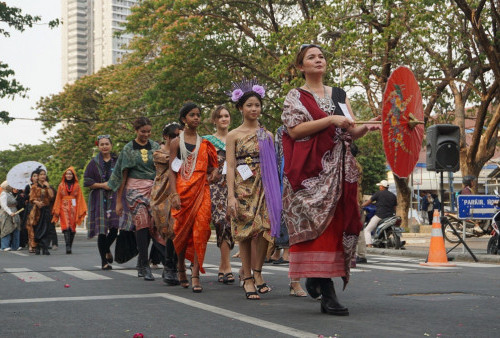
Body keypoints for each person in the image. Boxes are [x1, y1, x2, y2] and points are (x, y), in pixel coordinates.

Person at [281, 44, 379, 315]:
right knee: (318, 228)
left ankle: (321, 280)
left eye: (321, 56)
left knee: (336, 226)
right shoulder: (296, 96)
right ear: (301, 67)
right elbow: (295, 130)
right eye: (311, 57)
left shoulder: (339, 94)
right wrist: (329, 119)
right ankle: (327, 290)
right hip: (310, 173)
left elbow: (349, 131)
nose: (318, 60)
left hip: (340, 170)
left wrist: (366, 127)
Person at [226, 79, 282, 300]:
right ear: (240, 108)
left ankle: (258, 273)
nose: (253, 109)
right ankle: (247, 277)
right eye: (249, 105)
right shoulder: (233, 135)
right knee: (245, 232)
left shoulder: (266, 135)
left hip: (265, 187)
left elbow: (275, 164)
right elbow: (230, 166)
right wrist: (231, 195)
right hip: (242, 188)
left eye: (257, 105)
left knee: (264, 230)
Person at [168, 103, 218, 293]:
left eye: (198, 115)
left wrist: (213, 173)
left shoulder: (205, 144)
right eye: (192, 115)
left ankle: (195, 274)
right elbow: (172, 171)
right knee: (182, 232)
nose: (196, 118)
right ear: (183, 119)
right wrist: (173, 194)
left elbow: (214, 168)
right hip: (182, 191)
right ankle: (181, 267)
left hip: (202, 190)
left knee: (201, 229)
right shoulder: (176, 143)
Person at [108, 117, 160, 281]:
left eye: (148, 131)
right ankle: (144, 265)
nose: (146, 134)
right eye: (143, 131)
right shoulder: (128, 149)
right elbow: (123, 175)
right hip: (134, 189)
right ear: (136, 131)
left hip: (153, 189)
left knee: (153, 226)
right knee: (142, 223)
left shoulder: (156, 146)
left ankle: (141, 259)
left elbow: (161, 169)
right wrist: (118, 201)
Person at [84, 135, 133, 270]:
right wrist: (102, 185)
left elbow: (125, 177)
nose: (104, 146)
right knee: (101, 231)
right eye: (102, 144)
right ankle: (103, 262)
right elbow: (87, 182)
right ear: (98, 146)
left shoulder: (118, 161)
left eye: (107, 144)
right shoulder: (93, 163)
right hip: (99, 199)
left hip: (116, 198)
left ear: (111, 145)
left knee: (114, 229)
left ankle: (106, 250)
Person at [203, 105, 236, 284]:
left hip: (234, 185)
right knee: (221, 222)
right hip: (216, 186)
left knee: (231, 224)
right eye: (220, 116)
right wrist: (211, 172)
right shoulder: (207, 141)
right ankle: (226, 265)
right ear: (214, 120)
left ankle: (225, 266)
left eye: (226, 116)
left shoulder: (236, 136)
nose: (224, 119)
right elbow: (201, 163)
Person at [275, 125, 306, 296]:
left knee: (305, 237)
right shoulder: (280, 132)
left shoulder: (316, 125)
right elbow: (276, 161)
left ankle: (313, 280)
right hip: (287, 188)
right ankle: (295, 281)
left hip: (312, 186)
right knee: (295, 237)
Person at [151, 122, 181, 285]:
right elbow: (172, 160)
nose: (178, 138)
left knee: (177, 228)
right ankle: (169, 266)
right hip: (162, 195)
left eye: (180, 135)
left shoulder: (183, 152)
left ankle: (173, 266)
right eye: (175, 136)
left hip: (179, 192)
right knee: (169, 229)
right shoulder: (159, 153)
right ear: (166, 137)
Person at [52, 167, 87, 254]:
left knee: (72, 227)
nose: (68, 175)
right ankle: (68, 246)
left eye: (70, 174)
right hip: (63, 208)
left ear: (73, 175)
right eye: (67, 174)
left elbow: (80, 198)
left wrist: (80, 210)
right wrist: (57, 209)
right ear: (65, 175)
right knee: (66, 226)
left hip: (74, 208)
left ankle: (70, 245)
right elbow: (58, 198)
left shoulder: (77, 186)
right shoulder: (61, 185)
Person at [361, 180, 397, 247]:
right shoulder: (393, 195)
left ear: (382, 187)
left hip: (380, 215)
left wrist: (361, 205)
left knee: (367, 230)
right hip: (390, 216)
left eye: (380, 186)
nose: (379, 187)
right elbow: (395, 207)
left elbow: (369, 201)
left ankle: (369, 244)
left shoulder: (378, 193)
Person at [27, 168, 55, 255]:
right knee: (38, 228)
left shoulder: (48, 186)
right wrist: (37, 202)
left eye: (44, 174)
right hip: (37, 210)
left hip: (46, 209)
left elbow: (52, 196)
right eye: (41, 174)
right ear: (38, 176)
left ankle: (45, 247)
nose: (43, 176)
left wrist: (48, 187)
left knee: (47, 228)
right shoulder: (34, 187)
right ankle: (38, 246)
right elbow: (31, 198)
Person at [0, 181, 21, 251]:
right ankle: (4, 246)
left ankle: (15, 245)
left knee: (16, 228)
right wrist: (10, 212)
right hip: (6, 214)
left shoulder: (10, 193)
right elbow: (3, 205)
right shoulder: (3, 194)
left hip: (15, 212)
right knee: (7, 229)